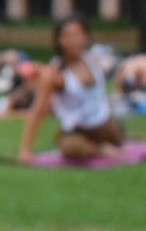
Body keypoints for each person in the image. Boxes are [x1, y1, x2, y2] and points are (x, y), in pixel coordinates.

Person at [18, 14, 124, 163]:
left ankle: (104, 145)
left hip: (106, 125)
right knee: (69, 146)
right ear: (59, 40)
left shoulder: (92, 58)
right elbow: (38, 110)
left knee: (116, 132)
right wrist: (25, 150)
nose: (73, 40)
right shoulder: (55, 74)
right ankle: (99, 149)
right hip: (77, 130)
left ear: (86, 37)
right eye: (68, 35)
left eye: (78, 34)